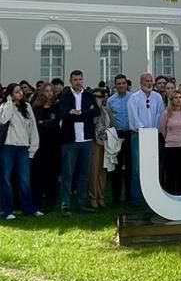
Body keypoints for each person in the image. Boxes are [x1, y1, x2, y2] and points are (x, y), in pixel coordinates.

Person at [0, 83, 40, 219]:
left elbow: (33, 128)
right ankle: (6, 210)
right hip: (7, 147)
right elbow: (3, 119)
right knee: (6, 179)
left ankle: (28, 208)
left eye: (20, 91)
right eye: (16, 92)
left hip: (23, 147)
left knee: (24, 179)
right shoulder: (5, 106)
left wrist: (33, 147)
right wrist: (9, 102)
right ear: (10, 94)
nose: (19, 94)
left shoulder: (27, 107)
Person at [57, 69, 96, 213]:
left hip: (86, 139)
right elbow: (65, 115)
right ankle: (65, 203)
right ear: (70, 81)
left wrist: (79, 112)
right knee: (68, 173)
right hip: (70, 140)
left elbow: (95, 111)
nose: (78, 82)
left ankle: (82, 203)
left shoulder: (88, 95)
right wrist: (84, 113)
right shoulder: (65, 96)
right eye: (75, 80)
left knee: (84, 174)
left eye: (80, 79)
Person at [125, 74, 166, 205]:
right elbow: (133, 117)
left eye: (151, 81)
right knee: (137, 167)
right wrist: (144, 130)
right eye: (146, 81)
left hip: (154, 135)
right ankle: (136, 197)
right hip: (138, 135)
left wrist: (154, 130)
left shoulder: (157, 97)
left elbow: (160, 114)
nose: (149, 83)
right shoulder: (134, 98)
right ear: (141, 82)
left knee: (153, 165)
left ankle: (153, 195)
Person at [30, 85, 61, 212]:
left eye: (51, 91)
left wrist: (44, 123)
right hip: (39, 145)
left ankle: (50, 200)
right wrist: (45, 123)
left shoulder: (57, 106)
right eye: (46, 91)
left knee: (51, 173)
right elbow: (36, 124)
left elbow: (55, 122)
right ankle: (38, 200)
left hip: (53, 144)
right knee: (38, 172)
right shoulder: (36, 108)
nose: (49, 94)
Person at [159, 92, 181, 196]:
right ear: (171, 100)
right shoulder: (166, 113)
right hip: (170, 147)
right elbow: (162, 129)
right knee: (170, 172)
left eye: (180, 97)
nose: (178, 100)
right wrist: (170, 138)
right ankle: (170, 194)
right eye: (175, 98)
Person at [107, 75, 132, 206]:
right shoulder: (111, 100)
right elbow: (109, 118)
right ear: (115, 86)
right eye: (118, 83)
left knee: (129, 166)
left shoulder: (133, 98)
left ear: (126, 84)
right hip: (116, 135)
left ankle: (129, 196)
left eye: (123, 83)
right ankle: (116, 197)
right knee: (116, 167)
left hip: (129, 134)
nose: (121, 85)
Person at [89, 88, 116, 210]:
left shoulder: (107, 111)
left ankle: (101, 197)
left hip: (105, 143)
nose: (97, 98)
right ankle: (93, 198)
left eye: (99, 96)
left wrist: (108, 134)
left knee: (103, 172)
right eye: (95, 96)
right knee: (93, 171)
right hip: (93, 143)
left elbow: (113, 126)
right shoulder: (89, 110)